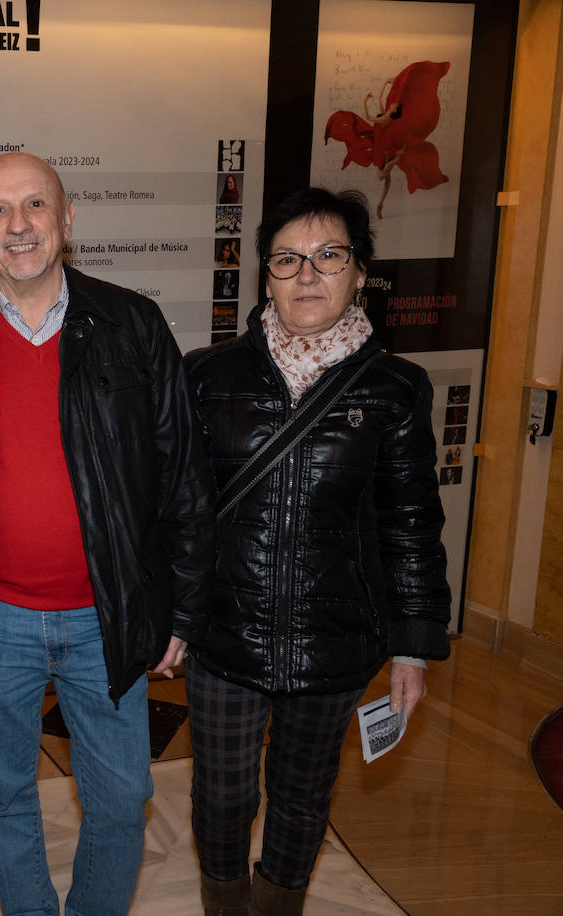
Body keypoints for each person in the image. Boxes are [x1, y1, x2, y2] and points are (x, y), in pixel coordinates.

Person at [0, 151, 215, 916]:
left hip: (107, 615)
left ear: (67, 219)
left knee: (120, 798)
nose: (19, 226)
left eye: (35, 206)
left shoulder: (133, 323)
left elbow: (183, 475)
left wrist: (180, 611)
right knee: (6, 794)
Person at [183, 187, 450, 916]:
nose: (307, 274)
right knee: (221, 793)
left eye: (329, 255)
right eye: (287, 259)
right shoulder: (208, 378)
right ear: (265, 277)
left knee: (301, 798)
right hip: (222, 633)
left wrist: (413, 646)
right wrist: (169, 617)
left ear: (360, 272)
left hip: (334, 643)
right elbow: (178, 513)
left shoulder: (396, 388)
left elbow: (411, 524)